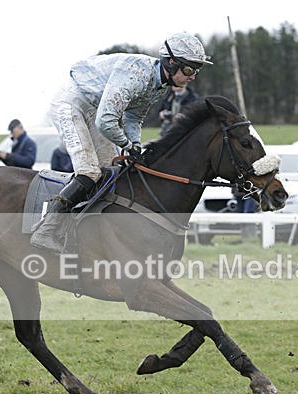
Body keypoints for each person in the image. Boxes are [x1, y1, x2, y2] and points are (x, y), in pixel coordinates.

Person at [31, 31, 212, 252]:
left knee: (112, 170)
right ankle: (47, 228)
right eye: (189, 69)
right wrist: (128, 146)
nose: (192, 76)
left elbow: (134, 117)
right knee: (89, 172)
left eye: (196, 70)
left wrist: (135, 145)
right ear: (171, 62)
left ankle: (93, 233)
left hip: (95, 110)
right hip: (71, 104)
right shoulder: (136, 74)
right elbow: (106, 121)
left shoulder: (158, 83)